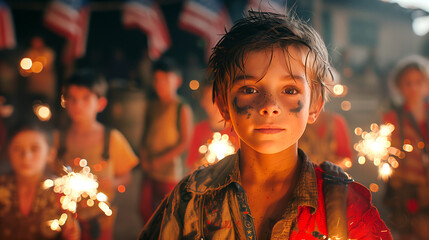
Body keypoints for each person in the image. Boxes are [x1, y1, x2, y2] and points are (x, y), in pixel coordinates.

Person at [139, 12, 392, 239]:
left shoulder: (347, 209)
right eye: (249, 89)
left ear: (315, 105)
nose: (269, 106)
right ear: (223, 105)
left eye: (290, 89)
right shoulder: (191, 199)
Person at [57, 70, 139, 240]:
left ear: (100, 103)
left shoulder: (111, 138)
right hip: (69, 219)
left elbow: (127, 176)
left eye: (86, 98)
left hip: (102, 220)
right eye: (72, 98)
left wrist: (114, 182)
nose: (78, 104)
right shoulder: (61, 139)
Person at [0, 121, 80, 240]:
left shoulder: (61, 193)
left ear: (50, 154)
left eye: (35, 148)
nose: (26, 156)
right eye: (17, 148)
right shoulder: (2, 187)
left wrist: (71, 235)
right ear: (8, 152)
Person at [139, 57, 193, 224]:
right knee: (145, 208)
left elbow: (185, 142)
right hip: (149, 169)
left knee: (168, 214)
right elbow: (145, 133)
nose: (160, 84)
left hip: (170, 172)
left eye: (165, 80)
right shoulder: (152, 106)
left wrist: (160, 160)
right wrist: (144, 156)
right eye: (157, 80)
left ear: (177, 81)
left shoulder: (181, 108)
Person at [383, 56, 429, 240]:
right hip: (406, 187)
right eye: (408, 83)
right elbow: (389, 154)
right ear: (399, 87)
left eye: (419, 82)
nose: (414, 88)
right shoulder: (393, 117)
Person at [186, 82, 239, 171]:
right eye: (210, 99)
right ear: (203, 102)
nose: (216, 104)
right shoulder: (199, 130)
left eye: (220, 98)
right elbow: (192, 166)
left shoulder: (238, 131)